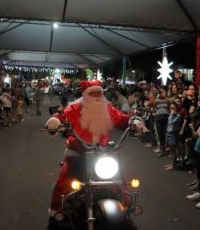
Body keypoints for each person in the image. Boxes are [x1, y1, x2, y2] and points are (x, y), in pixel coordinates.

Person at [45, 80, 137, 222]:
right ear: (85, 94)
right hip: (78, 151)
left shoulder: (108, 109)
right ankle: (57, 210)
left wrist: (134, 121)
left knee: (120, 178)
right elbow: (62, 116)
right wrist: (55, 121)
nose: (96, 96)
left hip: (103, 152)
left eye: (99, 93)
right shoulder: (75, 108)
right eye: (92, 93)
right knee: (64, 179)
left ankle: (125, 206)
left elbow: (122, 119)